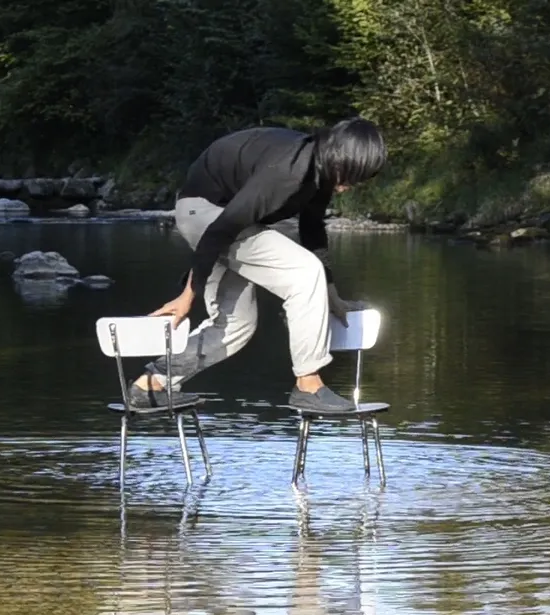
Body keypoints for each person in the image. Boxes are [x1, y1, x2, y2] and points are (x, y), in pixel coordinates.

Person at [127, 117, 387, 413]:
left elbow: (312, 229)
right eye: (351, 175)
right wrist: (189, 294)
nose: (351, 185)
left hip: (224, 218)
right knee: (304, 273)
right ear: (339, 156)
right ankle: (309, 385)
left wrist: (331, 294)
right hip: (207, 212)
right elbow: (220, 229)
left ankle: (151, 384)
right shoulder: (287, 172)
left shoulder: (320, 168)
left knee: (236, 326)